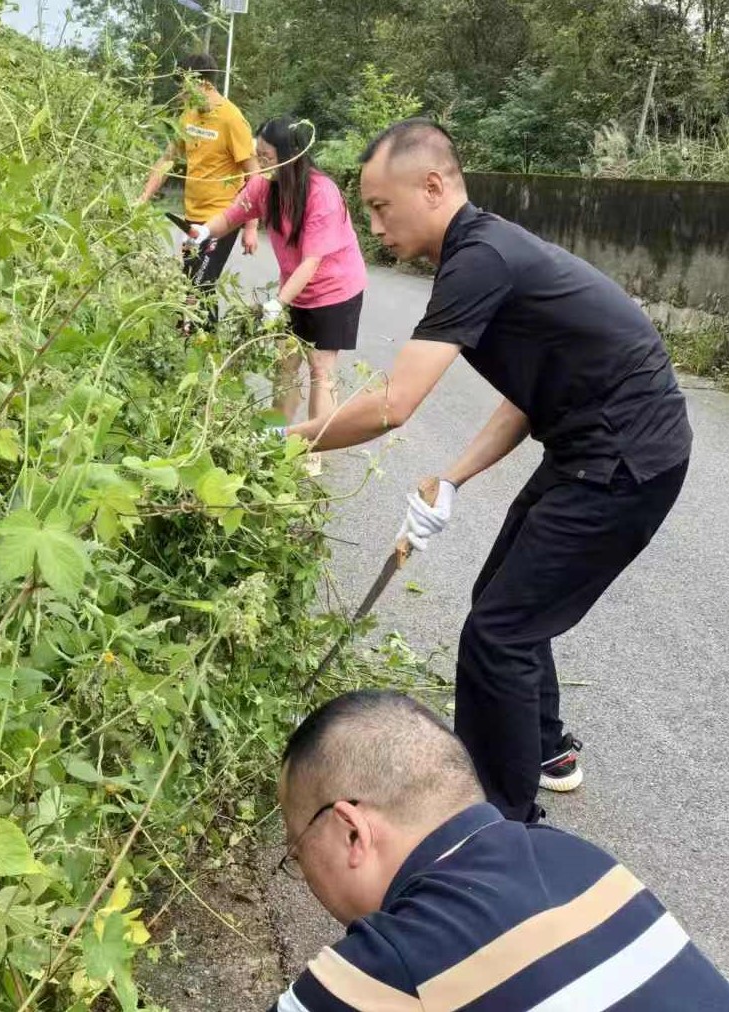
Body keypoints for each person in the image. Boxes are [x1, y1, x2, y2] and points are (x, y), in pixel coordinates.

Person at [283, 119, 693, 823]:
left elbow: (393, 404)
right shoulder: (482, 252)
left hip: (625, 462)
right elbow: (529, 395)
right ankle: (546, 750)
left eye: (380, 206)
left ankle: (502, 823)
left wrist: (280, 443)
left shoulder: (480, 259)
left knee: (498, 634)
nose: (372, 226)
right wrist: (453, 477)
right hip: (588, 448)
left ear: (432, 186)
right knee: (502, 604)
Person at [272, 690, 729, 1011]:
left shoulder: (387, 965)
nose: (304, 871)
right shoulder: (581, 860)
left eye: (297, 852)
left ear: (351, 832)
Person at [189, 116, 367, 476]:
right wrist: (205, 231)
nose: (260, 163)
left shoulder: (321, 193)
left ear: (291, 155)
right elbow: (232, 216)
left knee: (320, 370)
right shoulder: (263, 186)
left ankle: (313, 450)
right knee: (285, 365)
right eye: (258, 155)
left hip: (334, 290)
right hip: (293, 289)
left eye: (266, 156)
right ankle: (276, 438)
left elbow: (312, 262)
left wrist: (277, 303)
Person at [138, 53, 259, 331]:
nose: (180, 95)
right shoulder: (188, 116)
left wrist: (251, 226)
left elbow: (255, 175)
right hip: (192, 216)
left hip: (223, 218)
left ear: (201, 83)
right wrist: (144, 197)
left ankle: (196, 340)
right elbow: (167, 159)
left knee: (200, 284)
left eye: (183, 87)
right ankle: (200, 343)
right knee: (191, 284)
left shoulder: (231, 119)